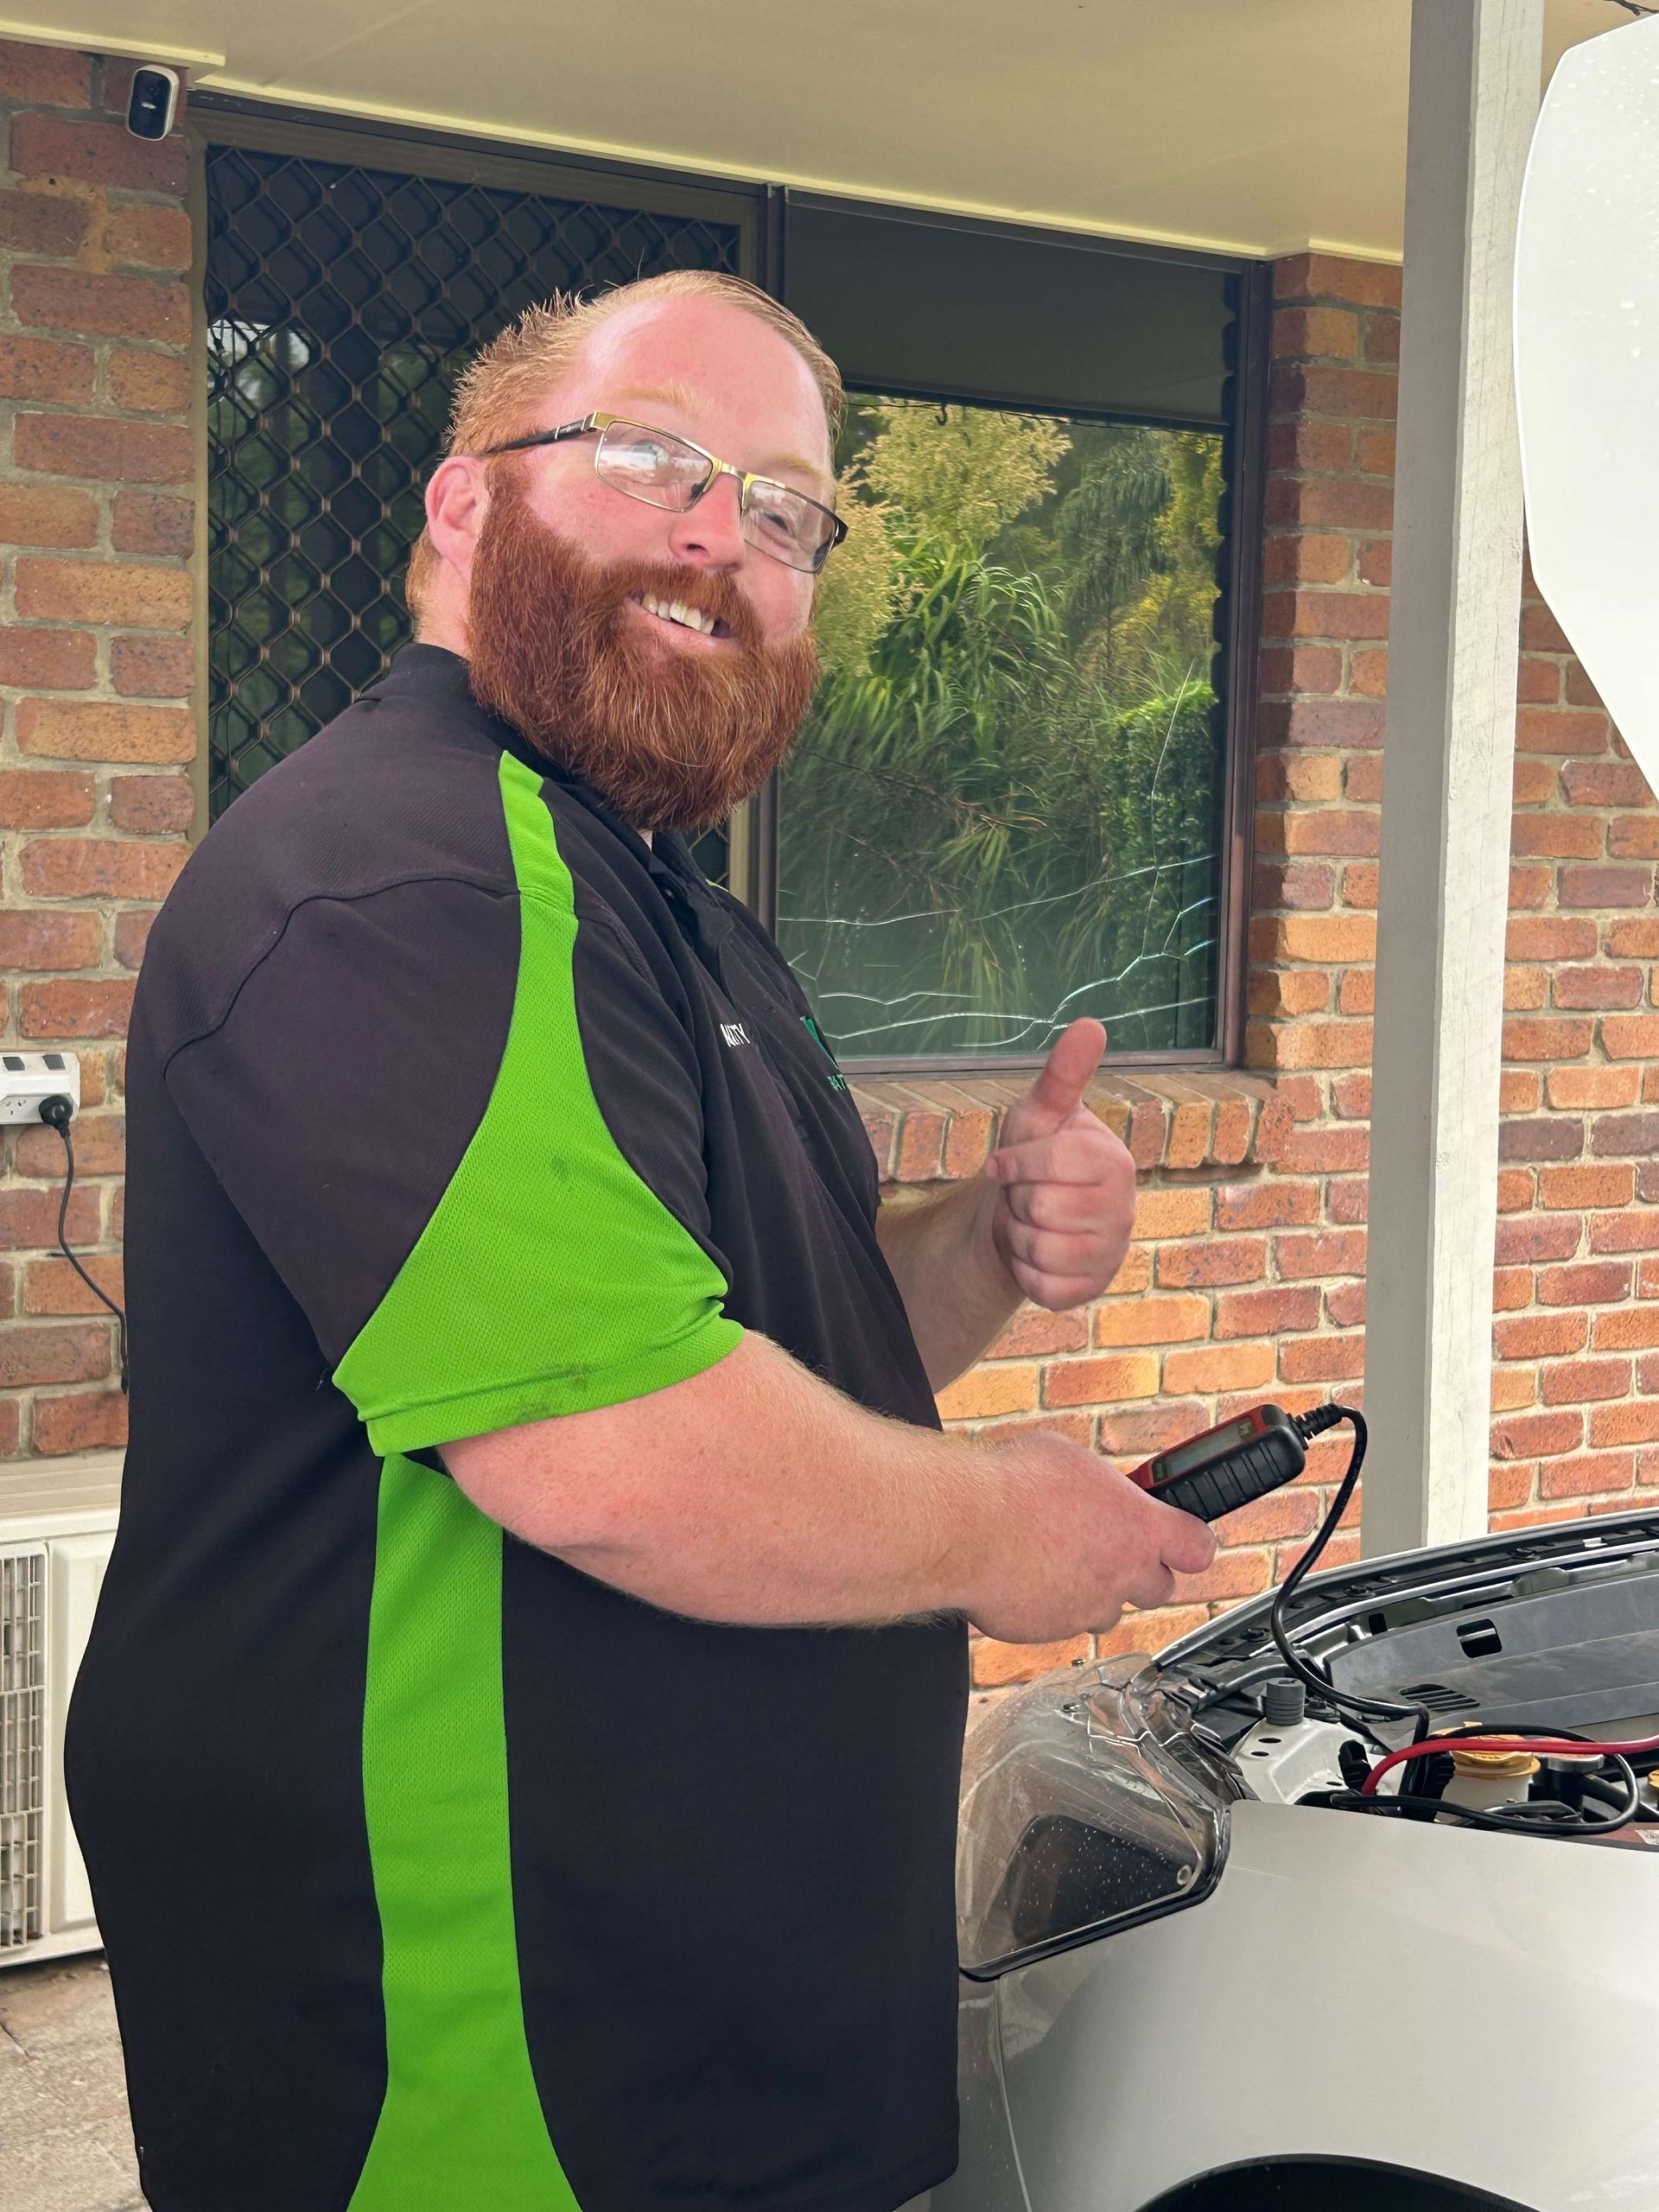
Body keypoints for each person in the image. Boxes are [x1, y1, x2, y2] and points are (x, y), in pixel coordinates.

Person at [65, 270, 1215, 2212]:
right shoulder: (409, 871)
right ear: (459, 509)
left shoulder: (642, 888)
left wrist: (988, 1240)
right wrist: (1009, 1525)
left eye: (785, 510)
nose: (723, 534)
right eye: (652, 457)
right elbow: (619, 1451)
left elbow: (776, 1342)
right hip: (494, 2043)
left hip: (698, 2016)